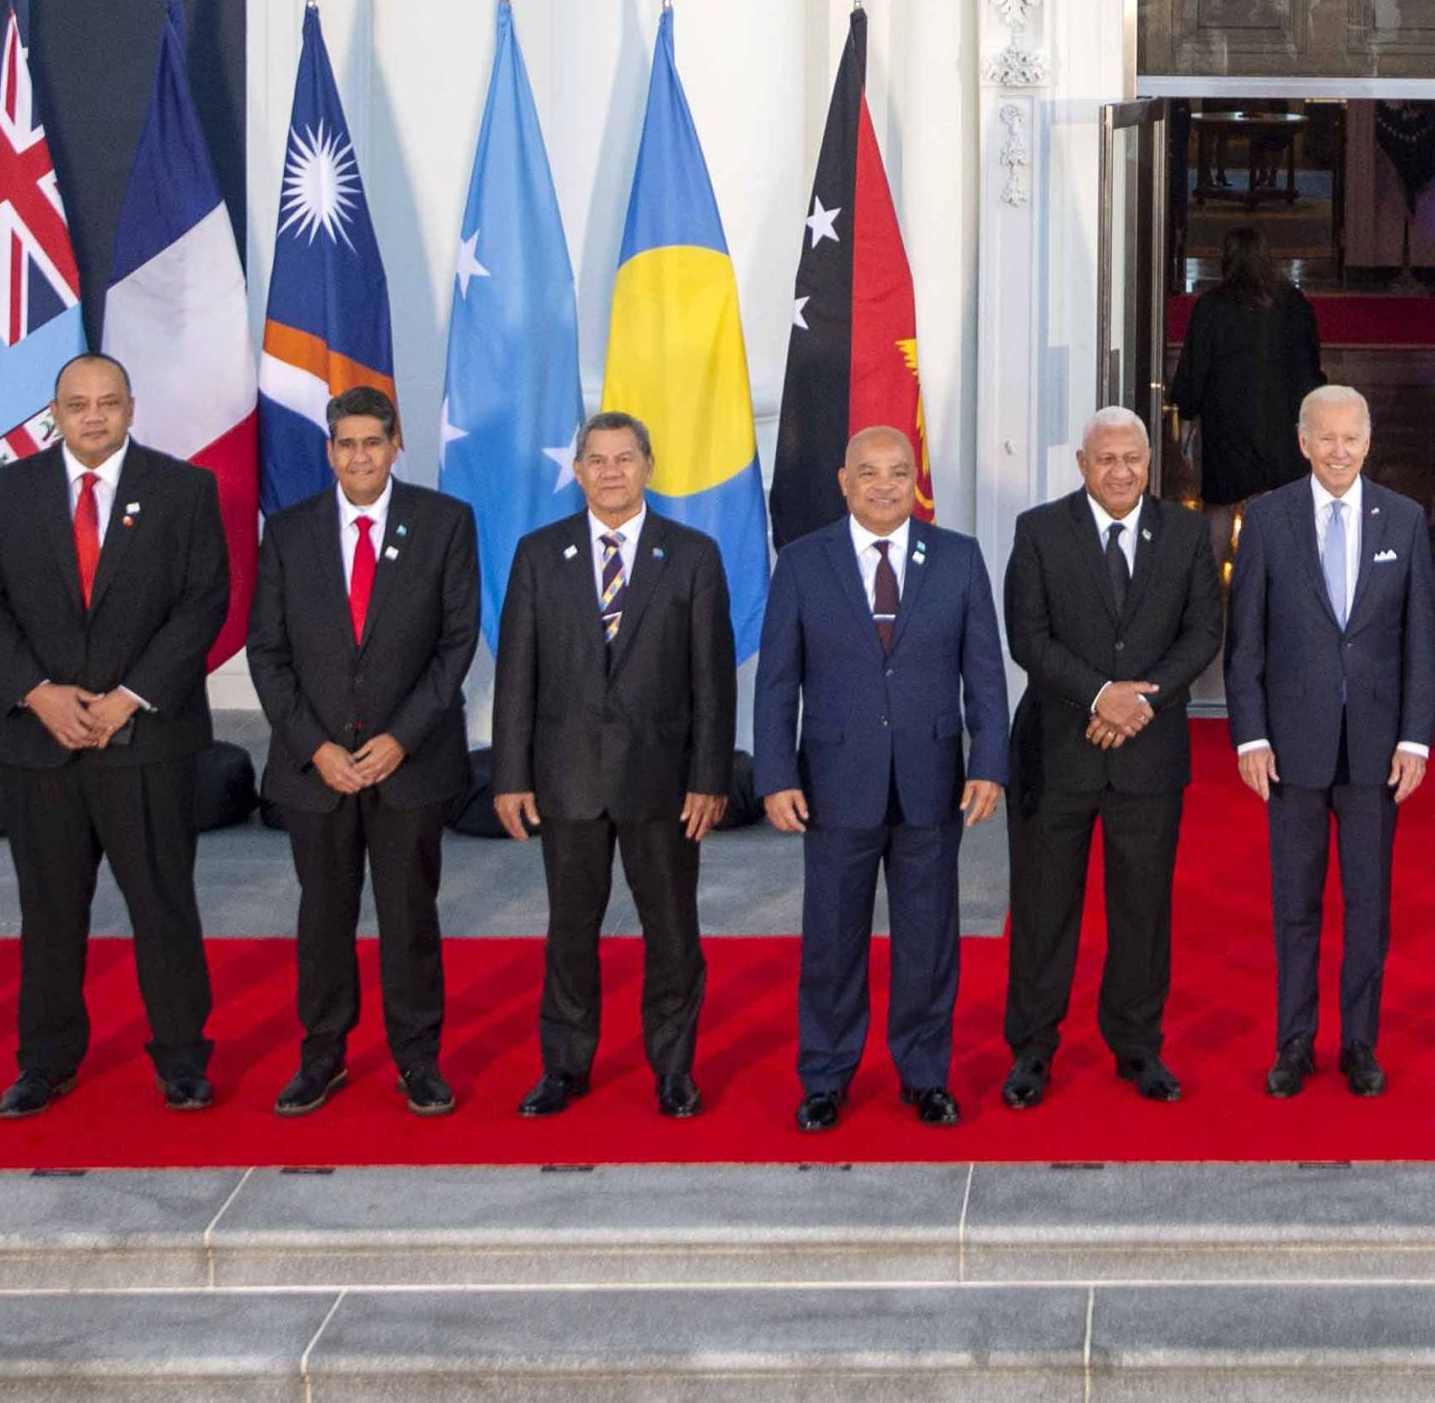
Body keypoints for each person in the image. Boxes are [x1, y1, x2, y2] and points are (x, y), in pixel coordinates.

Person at [0, 350, 231, 1117]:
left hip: (145, 741)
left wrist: (129, 699)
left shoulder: (183, 490)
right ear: (57, 412)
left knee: (162, 904)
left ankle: (180, 1058)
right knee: (48, 911)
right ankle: (45, 1063)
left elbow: (203, 603)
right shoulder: (6, 492)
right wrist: (39, 694)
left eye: (109, 401)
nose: (94, 416)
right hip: (39, 741)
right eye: (78, 404)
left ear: (132, 407)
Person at [760, 423, 1011, 1132]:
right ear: (844, 481)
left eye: (897, 472)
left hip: (931, 781)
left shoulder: (958, 560)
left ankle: (925, 1074)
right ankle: (826, 1076)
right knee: (833, 937)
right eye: (867, 473)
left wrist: (989, 760)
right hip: (836, 783)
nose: (883, 485)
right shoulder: (804, 564)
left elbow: (985, 674)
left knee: (928, 937)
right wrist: (776, 773)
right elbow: (778, 683)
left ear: (916, 479)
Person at [489, 411, 735, 1119]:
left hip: (663, 783)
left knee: (672, 931)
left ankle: (673, 1069)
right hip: (566, 780)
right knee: (569, 931)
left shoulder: (691, 556)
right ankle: (564, 1067)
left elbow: (712, 681)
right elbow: (517, 675)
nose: (610, 472)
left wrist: (710, 777)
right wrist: (511, 775)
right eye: (596, 460)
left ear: (649, 466)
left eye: (624, 459)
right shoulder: (540, 555)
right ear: (577, 471)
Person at [245, 383, 479, 1119]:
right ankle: (322, 1057)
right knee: (324, 918)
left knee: (410, 916)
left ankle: (417, 1059)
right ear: (329, 452)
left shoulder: (444, 523)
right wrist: (315, 746)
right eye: (345, 444)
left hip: (408, 766)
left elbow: (455, 643)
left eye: (372, 442)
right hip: (317, 771)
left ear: (395, 444)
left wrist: (400, 738)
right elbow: (267, 651)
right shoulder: (287, 532)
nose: (359, 456)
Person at [1226, 382, 1435, 1097]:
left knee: (1368, 904)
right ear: (1303, 442)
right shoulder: (1266, 519)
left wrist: (1416, 739)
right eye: (1327, 437)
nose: (1340, 450)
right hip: (1290, 747)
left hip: (1378, 752)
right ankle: (1294, 1042)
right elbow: (1245, 642)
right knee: (1295, 904)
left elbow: (1419, 640)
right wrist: (1249, 734)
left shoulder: (1405, 520)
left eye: (1352, 437)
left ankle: (1359, 1043)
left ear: (1369, 442)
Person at [999, 408, 1217, 1109]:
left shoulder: (1184, 533)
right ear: (1082, 463)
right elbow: (1027, 637)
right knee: (1042, 909)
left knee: (1142, 910)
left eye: (1133, 459)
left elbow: (1203, 631)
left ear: (1150, 462)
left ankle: (1137, 1047)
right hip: (1056, 752)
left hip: (1148, 756)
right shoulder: (1039, 531)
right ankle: (1032, 1048)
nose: (1120, 471)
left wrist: (1138, 703)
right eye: (1106, 459)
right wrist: (1099, 696)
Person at [1170, 226, 1322, 505]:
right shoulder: (1294, 304)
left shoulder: (1211, 306)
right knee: (1278, 509)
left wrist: (1187, 409)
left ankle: (1215, 552)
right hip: (1282, 421)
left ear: (1226, 259)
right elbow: (1308, 365)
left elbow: (1195, 366)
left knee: (1220, 506)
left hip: (1225, 424)